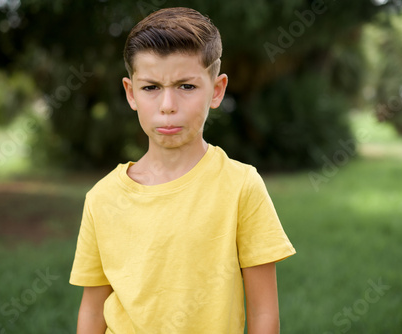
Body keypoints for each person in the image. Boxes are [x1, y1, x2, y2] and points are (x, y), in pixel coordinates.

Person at [69, 7, 296, 334]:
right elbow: (92, 313)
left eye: (186, 86)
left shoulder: (241, 186)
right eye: (150, 88)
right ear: (130, 93)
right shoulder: (102, 197)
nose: (167, 105)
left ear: (216, 90)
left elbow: (264, 315)